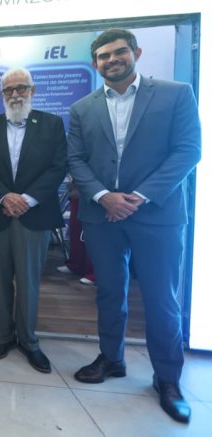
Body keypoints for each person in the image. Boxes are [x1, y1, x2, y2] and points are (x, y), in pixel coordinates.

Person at [68, 28, 201, 423]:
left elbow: (188, 151)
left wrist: (138, 197)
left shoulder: (175, 94)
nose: (112, 60)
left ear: (136, 53)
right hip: (102, 215)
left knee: (162, 299)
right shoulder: (82, 108)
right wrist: (103, 196)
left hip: (157, 215)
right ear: (95, 63)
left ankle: (167, 379)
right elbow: (76, 159)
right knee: (110, 291)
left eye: (119, 52)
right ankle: (111, 359)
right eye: (103, 56)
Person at [0, 67, 67, 373]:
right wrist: (5, 196)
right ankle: (3, 337)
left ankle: (29, 341)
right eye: (8, 90)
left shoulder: (51, 124)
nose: (15, 94)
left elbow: (57, 168)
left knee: (28, 282)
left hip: (34, 214)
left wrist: (26, 199)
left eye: (21, 88)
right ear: (1, 94)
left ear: (32, 90)